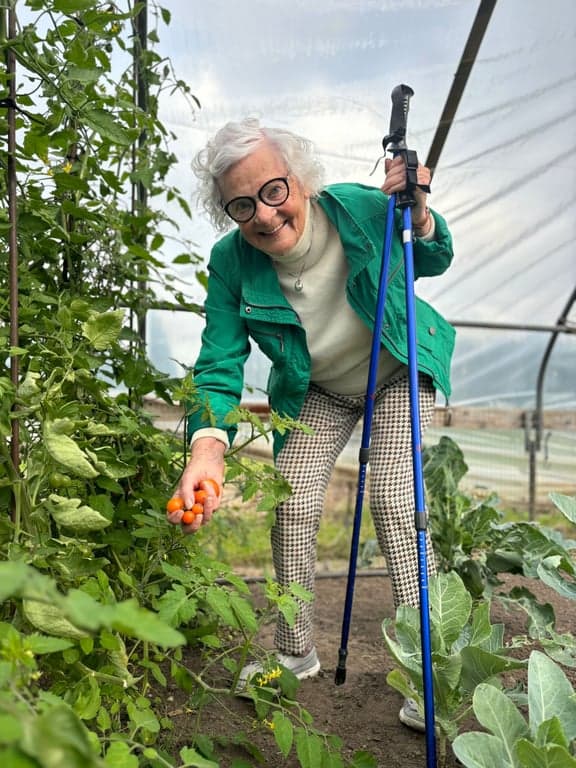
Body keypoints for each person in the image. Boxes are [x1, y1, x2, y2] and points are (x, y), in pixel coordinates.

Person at [166, 117, 455, 731]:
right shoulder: (232, 261)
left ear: (299, 178)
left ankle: (427, 663)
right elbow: (219, 362)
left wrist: (419, 210)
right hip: (319, 387)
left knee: (395, 500)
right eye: (241, 205)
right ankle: (296, 652)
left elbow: (432, 257)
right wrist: (207, 449)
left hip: (396, 370)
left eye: (273, 191)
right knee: (291, 498)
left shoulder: (356, 208)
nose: (265, 216)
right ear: (227, 214)